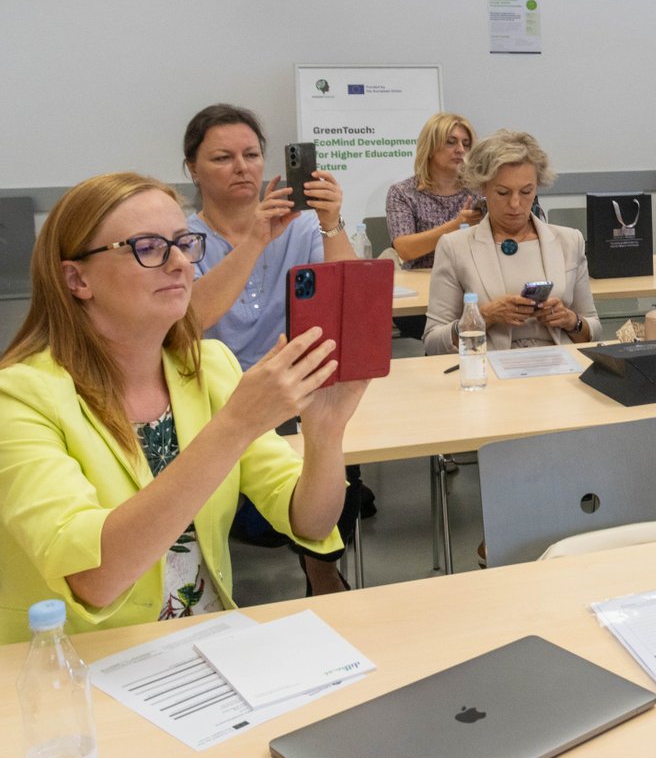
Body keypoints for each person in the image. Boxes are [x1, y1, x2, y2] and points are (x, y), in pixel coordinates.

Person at [0, 173, 367, 643]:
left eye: (183, 244)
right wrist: (236, 424)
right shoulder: (19, 397)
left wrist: (325, 432)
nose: (180, 264)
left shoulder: (208, 366)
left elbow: (308, 521)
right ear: (77, 279)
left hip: (203, 645)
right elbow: (93, 578)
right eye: (148, 247)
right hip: (77, 661)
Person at [182, 103, 359, 595]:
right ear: (193, 168)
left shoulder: (299, 227)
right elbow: (191, 318)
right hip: (216, 396)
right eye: (222, 158)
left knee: (337, 453)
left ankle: (320, 567)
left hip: (296, 387)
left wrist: (330, 222)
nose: (241, 167)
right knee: (258, 508)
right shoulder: (184, 240)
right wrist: (256, 240)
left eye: (251, 155)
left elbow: (347, 297)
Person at [423, 130, 599, 354]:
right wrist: (483, 317)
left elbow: (593, 330)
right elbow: (433, 343)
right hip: (490, 365)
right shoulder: (455, 247)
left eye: (526, 192)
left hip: (560, 365)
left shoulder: (569, 241)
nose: (515, 204)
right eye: (503, 193)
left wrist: (571, 321)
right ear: (483, 187)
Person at [387, 112, 482, 270]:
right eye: (451, 142)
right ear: (430, 147)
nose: (460, 149)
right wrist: (456, 225)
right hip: (421, 277)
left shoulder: (479, 190)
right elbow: (404, 250)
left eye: (466, 144)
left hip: (470, 275)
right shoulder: (403, 192)